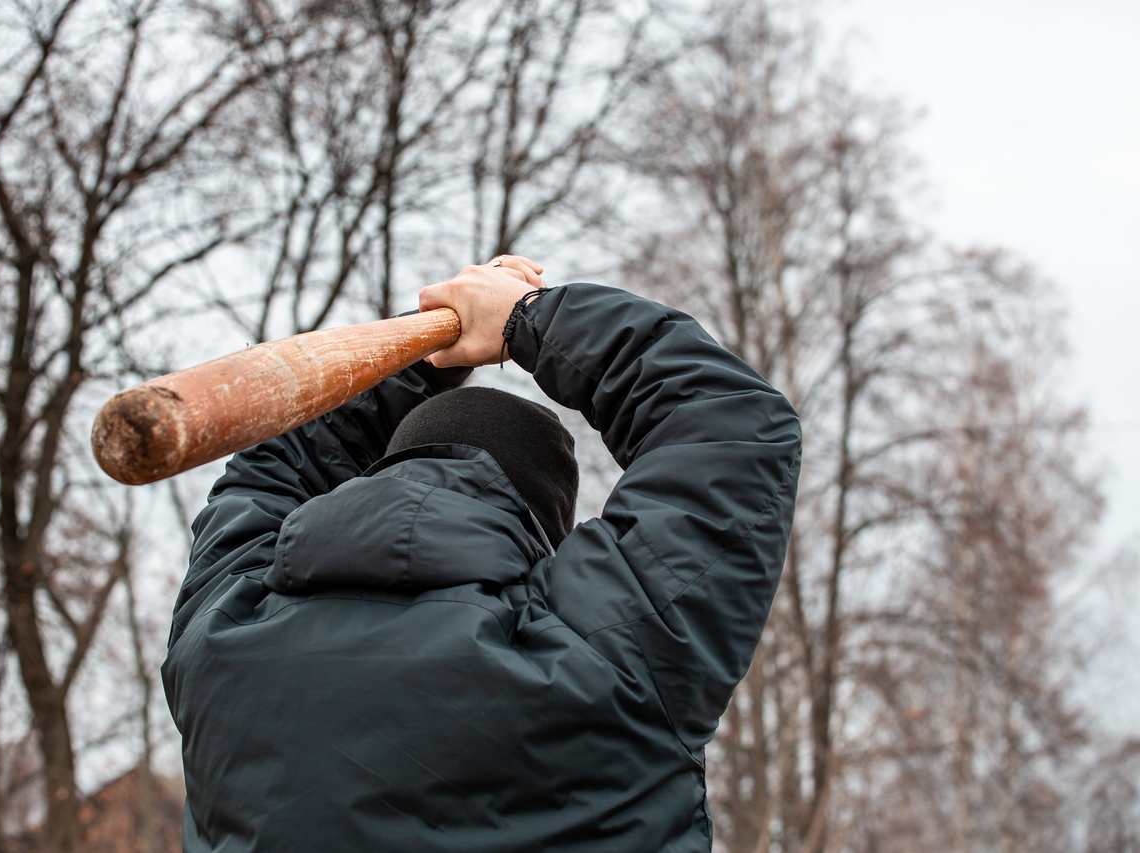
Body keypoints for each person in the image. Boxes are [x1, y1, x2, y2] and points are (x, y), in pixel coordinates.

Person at [161, 256, 802, 852]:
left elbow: (275, 462)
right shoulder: (603, 656)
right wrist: (525, 317)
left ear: (382, 470)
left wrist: (422, 351)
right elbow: (733, 427)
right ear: (541, 532)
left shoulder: (220, 640)